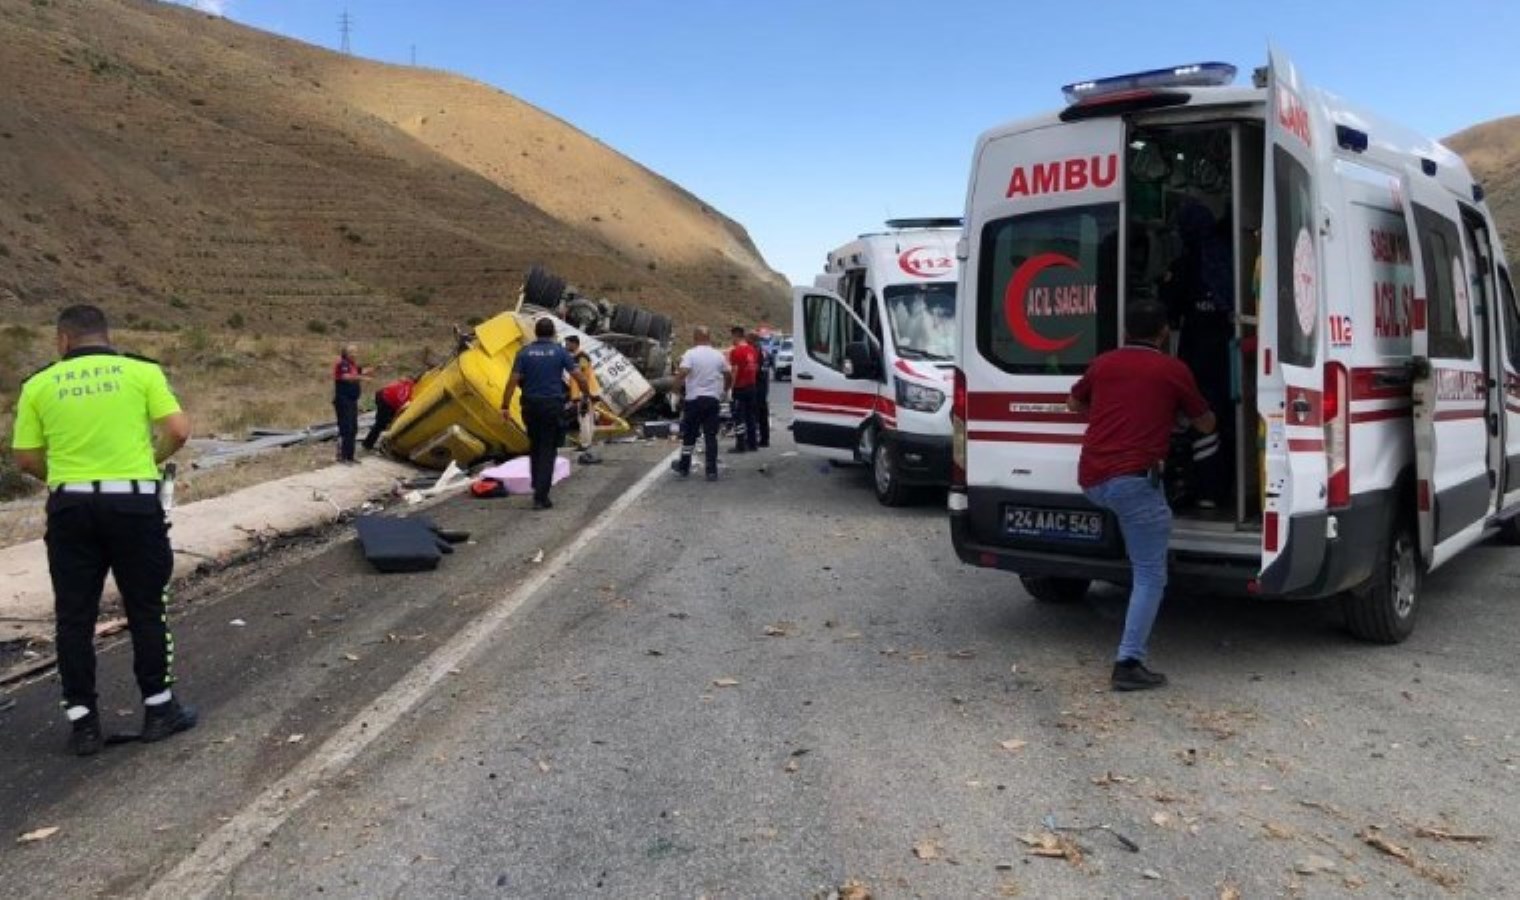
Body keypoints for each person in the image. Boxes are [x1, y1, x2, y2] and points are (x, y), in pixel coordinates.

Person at [10, 305, 198, 755]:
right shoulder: (140, 373)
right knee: (146, 606)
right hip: (132, 501)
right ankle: (159, 709)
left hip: (70, 505)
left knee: (74, 616)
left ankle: (84, 725)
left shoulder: (38, 384)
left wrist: (63, 478)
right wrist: (149, 462)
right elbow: (178, 430)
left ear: (63, 340)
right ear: (106, 335)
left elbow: (25, 457)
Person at [1067, 300, 1215, 692]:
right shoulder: (1172, 370)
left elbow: (1073, 402)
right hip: (1133, 482)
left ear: (1125, 331)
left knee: (1137, 531)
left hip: (1092, 478)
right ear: (1164, 332)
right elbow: (1205, 423)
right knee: (1150, 575)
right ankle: (1128, 662)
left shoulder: (1104, 364)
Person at [501, 319, 596, 510]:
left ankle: (538, 486)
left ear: (536, 333)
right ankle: (541, 496)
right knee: (548, 449)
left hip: (530, 406)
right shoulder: (560, 352)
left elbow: (512, 381)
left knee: (535, 446)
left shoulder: (524, 353)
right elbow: (578, 376)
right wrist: (587, 394)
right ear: (552, 333)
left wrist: (504, 406)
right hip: (552, 406)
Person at [670, 325, 731, 481]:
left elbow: (682, 373)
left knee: (690, 435)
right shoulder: (718, 355)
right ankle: (711, 471)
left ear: (695, 338)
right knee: (711, 436)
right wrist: (725, 390)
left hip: (694, 401)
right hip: (712, 401)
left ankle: (684, 467)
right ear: (709, 338)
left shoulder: (690, 354)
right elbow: (728, 374)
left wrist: (675, 392)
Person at [332, 343, 370, 464]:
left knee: (353, 428)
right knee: (345, 428)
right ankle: (342, 457)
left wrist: (378, 367)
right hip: (343, 400)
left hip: (352, 400)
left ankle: (350, 456)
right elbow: (346, 377)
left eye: (355, 351)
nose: (354, 354)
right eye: (351, 352)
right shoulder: (342, 364)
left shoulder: (353, 365)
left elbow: (362, 371)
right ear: (346, 353)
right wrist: (361, 378)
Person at [727, 325, 760, 453]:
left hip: (740, 388)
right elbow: (755, 368)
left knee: (738, 418)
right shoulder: (753, 350)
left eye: (732, 337)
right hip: (752, 386)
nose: (731, 340)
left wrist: (731, 388)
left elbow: (734, 371)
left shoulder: (735, 351)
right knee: (750, 416)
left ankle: (740, 445)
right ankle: (753, 444)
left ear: (736, 336)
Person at [362, 375, 416, 452]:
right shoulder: (408, 388)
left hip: (382, 396)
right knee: (380, 425)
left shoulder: (404, 384)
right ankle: (367, 444)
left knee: (381, 423)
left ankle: (370, 441)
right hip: (385, 401)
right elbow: (401, 402)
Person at [563, 335, 597, 451]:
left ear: (575, 344)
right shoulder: (578, 357)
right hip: (585, 391)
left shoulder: (581, 357)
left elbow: (582, 376)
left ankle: (585, 444)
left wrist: (584, 395)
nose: (566, 346)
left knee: (584, 417)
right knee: (587, 417)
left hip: (584, 392)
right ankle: (587, 442)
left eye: (568, 344)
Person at [749, 330, 771, 448]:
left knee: (755, 415)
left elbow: (755, 369)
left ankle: (754, 440)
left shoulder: (756, 352)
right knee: (763, 414)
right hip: (764, 386)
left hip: (757, 386)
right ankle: (764, 439)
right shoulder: (765, 352)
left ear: (753, 341)